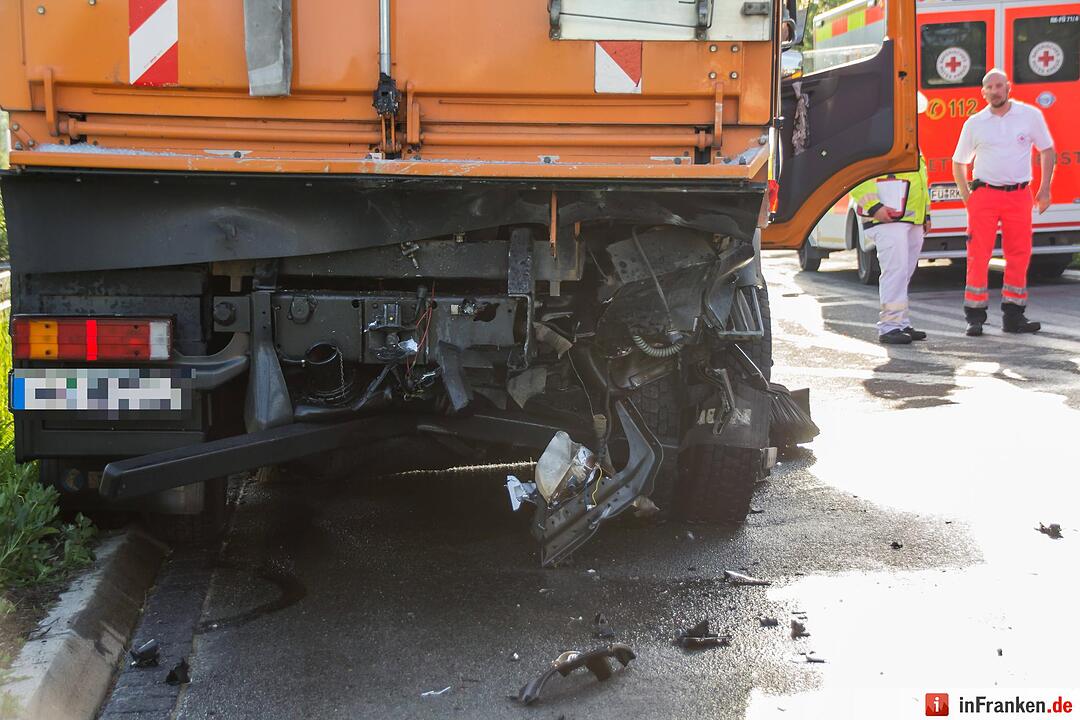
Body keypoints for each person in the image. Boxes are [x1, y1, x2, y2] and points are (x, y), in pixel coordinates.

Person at [952, 69, 1056, 336]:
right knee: (978, 254)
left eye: (1000, 85)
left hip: (1019, 194)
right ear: (983, 92)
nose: (996, 91)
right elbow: (958, 162)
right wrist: (967, 196)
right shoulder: (974, 123)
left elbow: (1047, 150)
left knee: (1019, 253)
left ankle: (1014, 315)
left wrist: (1044, 189)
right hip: (985, 194)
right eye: (990, 87)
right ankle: (975, 317)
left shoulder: (1029, 115)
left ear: (1008, 87)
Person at [851, 146, 931, 345]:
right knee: (895, 271)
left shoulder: (909, 139)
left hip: (911, 218)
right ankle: (889, 327)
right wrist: (875, 207)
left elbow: (921, 178)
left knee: (903, 272)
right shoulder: (876, 136)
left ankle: (900, 322)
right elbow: (855, 174)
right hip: (887, 218)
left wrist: (926, 213)